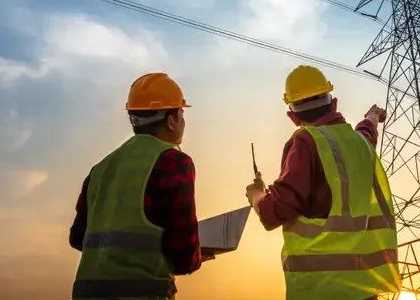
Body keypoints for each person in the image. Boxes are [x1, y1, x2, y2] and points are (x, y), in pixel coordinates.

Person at [245, 65, 401, 300]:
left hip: (321, 288)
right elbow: (366, 131)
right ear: (334, 103)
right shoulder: (361, 144)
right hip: (365, 289)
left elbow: (273, 212)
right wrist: (373, 116)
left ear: (292, 117)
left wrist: (256, 195)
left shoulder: (306, 143)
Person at [69, 72, 212, 300]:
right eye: (181, 113)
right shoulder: (174, 163)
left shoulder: (100, 168)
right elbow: (183, 258)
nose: (183, 121)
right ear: (171, 120)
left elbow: (78, 238)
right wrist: (198, 255)